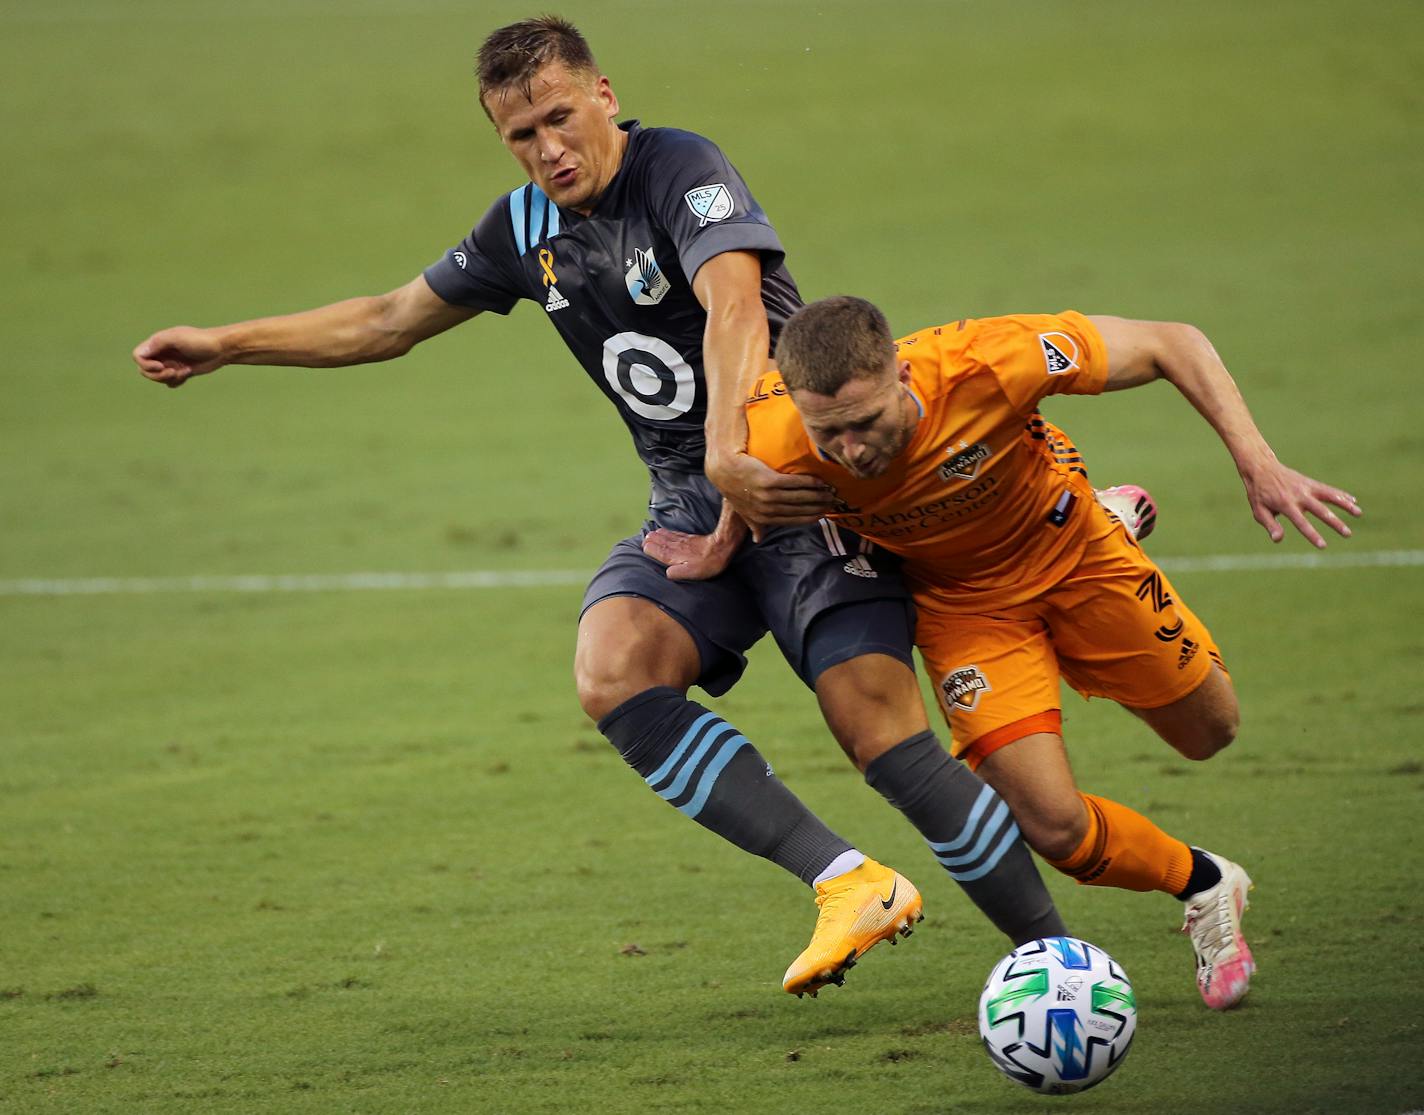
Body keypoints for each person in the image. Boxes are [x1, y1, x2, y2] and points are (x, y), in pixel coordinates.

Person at [131, 16, 1069, 997]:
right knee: (612, 668)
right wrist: (227, 342)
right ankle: (846, 881)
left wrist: (730, 457)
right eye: (520, 135)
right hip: (686, 515)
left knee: (875, 732)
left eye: (558, 118)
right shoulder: (522, 230)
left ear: (604, 96)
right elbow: (385, 320)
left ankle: (1050, 958)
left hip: (798, 493)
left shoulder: (679, 170)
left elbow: (735, 306)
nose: (547, 149)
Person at [658, 296, 1360, 1009]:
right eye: (829, 433)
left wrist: (1259, 463)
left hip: (1074, 551)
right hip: (967, 611)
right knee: (1053, 825)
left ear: (902, 374)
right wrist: (718, 544)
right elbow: (744, 477)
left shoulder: (988, 363)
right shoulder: (774, 429)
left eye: (867, 422)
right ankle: (1206, 881)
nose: (852, 450)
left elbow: (1173, 343)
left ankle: (1105, 510)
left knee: (1211, 731)